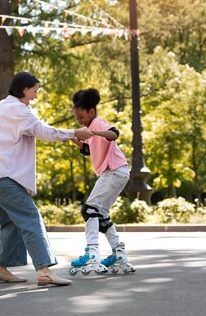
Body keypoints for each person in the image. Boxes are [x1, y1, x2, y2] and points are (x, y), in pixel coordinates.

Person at [0, 72, 93, 287]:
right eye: (35, 91)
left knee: (11, 221)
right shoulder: (18, 110)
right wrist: (74, 132)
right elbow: (43, 131)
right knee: (30, 216)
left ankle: (1, 270)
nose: (36, 96)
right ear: (24, 89)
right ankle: (44, 271)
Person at [68, 88, 135, 275]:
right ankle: (118, 254)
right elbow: (88, 150)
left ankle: (92, 254)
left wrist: (94, 132)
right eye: (76, 119)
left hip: (113, 171)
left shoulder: (97, 123)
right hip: (119, 172)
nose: (79, 121)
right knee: (101, 215)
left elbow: (114, 134)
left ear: (91, 111)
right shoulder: (90, 128)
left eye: (81, 117)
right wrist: (74, 138)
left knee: (89, 209)